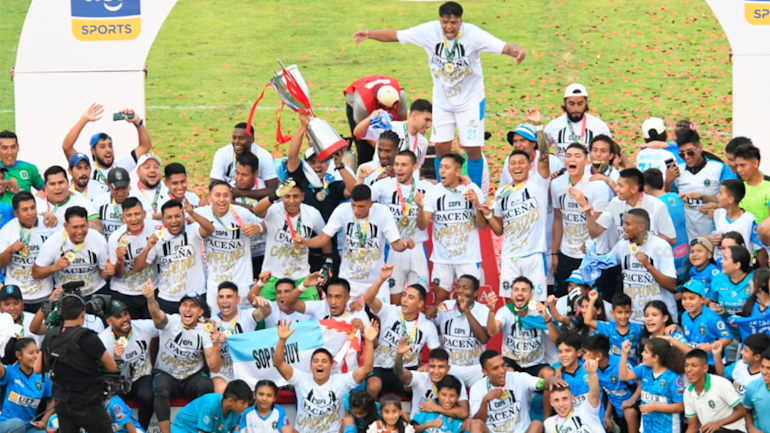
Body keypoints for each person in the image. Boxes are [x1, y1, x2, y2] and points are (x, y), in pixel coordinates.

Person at [353, 1, 527, 190]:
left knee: (472, 149)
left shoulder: (473, 34)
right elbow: (396, 35)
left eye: (454, 22)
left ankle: (475, 194)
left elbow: (503, 46)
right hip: (443, 103)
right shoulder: (429, 31)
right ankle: (441, 191)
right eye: (445, 22)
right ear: (440, 21)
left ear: (461, 21)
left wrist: (517, 52)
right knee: (442, 149)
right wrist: (370, 34)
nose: (449, 27)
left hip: (470, 101)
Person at [296, 184, 412, 302]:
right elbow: (323, 239)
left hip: (377, 281)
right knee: (345, 319)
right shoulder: (342, 210)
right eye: (353, 205)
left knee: (380, 318)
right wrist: (305, 242)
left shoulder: (383, 212)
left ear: (370, 203)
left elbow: (396, 244)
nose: (356, 210)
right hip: (349, 281)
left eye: (361, 206)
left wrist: (405, 245)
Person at [482, 109, 553, 302]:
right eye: (512, 163)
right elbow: (499, 231)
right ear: (508, 167)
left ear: (530, 165)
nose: (516, 166)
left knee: (535, 306)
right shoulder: (501, 193)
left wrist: (539, 126)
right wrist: (488, 214)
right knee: (511, 306)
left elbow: (545, 156)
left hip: (534, 256)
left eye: (521, 162)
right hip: (509, 257)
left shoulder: (538, 183)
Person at [142, 281, 222, 433]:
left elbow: (214, 367)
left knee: (206, 386)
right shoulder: (171, 321)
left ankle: (200, 429)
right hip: (168, 375)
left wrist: (216, 344)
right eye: (184, 305)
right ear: (179, 309)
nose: (187, 309)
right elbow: (156, 314)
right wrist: (151, 299)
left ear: (200, 312)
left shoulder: (206, 330)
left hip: (191, 377)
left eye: (193, 306)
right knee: (160, 386)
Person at [273, 319, 377, 433]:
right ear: (310, 366)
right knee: (286, 429)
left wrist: (369, 341)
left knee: (349, 421)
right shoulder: (300, 379)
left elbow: (367, 369)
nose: (319, 364)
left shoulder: (341, 381)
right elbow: (278, 363)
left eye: (324, 361)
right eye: (316, 361)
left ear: (331, 366)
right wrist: (282, 340)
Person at [36, 294, 118, 433]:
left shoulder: (51, 335)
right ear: (83, 314)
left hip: (62, 403)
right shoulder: (88, 337)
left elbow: (38, 368)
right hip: (87, 403)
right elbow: (112, 367)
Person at [417, 152, 486, 303]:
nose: (441, 171)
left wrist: (477, 205)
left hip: (468, 258)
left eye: (447, 167)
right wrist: (420, 208)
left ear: (457, 172)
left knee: (468, 303)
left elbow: (482, 226)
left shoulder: (472, 190)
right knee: (440, 303)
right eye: (441, 167)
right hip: (442, 259)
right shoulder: (433, 193)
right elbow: (422, 225)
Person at [364, 265, 440, 398]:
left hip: (406, 370)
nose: (404, 299)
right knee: (373, 385)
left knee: (415, 385)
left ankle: (415, 417)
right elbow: (369, 299)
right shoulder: (390, 311)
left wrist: (429, 365)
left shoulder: (427, 325)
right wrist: (382, 279)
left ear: (420, 303)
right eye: (404, 295)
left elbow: (436, 352)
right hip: (381, 368)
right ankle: (372, 417)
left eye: (411, 297)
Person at [550, 142, 613, 297]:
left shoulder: (597, 186)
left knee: (592, 302)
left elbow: (598, 226)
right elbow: (558, 218)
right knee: (565, 300)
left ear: (586, 161)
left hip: (592, 255)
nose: (572, 159)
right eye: (569, 156)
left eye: (578, 156)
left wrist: (584, 204)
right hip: (567, 253)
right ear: (564, 161)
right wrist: (554, 253)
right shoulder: (557, 184)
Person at [370, 150, 433, 302]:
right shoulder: (384, 185)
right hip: (392, 250)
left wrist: (419, 207)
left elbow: (423, 226)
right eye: (397, 164)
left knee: (418, 301)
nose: (399, 168)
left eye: (404, 165)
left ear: (414, 167)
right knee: (394, 301)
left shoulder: (426, 188)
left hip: (416, 249)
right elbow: (361, 200)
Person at [132, 199, 215, 314]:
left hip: (196, 296)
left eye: (177, 216)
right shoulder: (157, 239)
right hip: (168, 299)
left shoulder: (192, 230)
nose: (174, 221)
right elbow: (137, 268)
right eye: (169, 217)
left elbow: (210, 229)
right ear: (163, 220)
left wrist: (193, 213)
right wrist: (147, 248)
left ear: (183, 216)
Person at [252, 179, 326, 301]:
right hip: (271, 275)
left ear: (302, 196)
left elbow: (324, 237)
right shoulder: (274, 209)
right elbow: (257, 210)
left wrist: (327, 257)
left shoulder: (312, 213)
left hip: (301, 276)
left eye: (296, 196)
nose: (291, 201)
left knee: (314, 309)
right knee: (261, 309)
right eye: (287, 196)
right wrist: (275, 195)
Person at [197, 180, 263, 310]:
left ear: (231, 197)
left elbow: (267, 224)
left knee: (244, 324)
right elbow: (180, 219)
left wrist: (258, 227)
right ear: (209, 198)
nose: (222, 199)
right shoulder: (201, 213)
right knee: (214, 323)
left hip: (242, 283)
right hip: (215, 284)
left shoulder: (242, 214)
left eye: (226, 195)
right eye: (217, 195)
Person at [61, 104, 153, 196]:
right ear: (93, 151)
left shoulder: (120, 167)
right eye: (102, 146)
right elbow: (67, 147)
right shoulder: (86, 169)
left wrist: (137, 122)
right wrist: (84, 119)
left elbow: (145, 146)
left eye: (110, 145)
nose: (108, 150)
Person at [486, 279, 558, 393]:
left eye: (524, 290)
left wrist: (547, 319)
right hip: (512, 360)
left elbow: (557, 340)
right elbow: (492, 332)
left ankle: (549, 411)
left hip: (535, 363)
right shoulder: (505, 311)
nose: (519, 293)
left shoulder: (539, 312)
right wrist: (491, 311)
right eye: (516, 290)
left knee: (550, 375)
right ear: (511, 295)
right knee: (506, 373)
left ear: (531, 295)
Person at [608, 208, 678, 325]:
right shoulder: (622, 245)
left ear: (640, 227)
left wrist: (647, 265)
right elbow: (603, 262)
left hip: (659, 321)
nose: (623, 227)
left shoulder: (661, 246)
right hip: (632, 321)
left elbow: (671, 285)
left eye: (627, 224)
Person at [468, 349, 563, 433]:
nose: (502, 371)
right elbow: (478, 421)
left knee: (537, 424)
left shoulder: (518, 377)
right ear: (485, 372)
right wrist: (485, 401)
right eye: (495, 368)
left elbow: (540, 383)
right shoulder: (477, 388)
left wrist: (550, 381)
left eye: (503, 365)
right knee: (475, 424)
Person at [98, 299, 158, 430]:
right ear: (109, 321)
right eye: (119, 316)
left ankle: (141, 429)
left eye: (126, 314)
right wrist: (115, 359)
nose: (125, 319)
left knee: (147, 396)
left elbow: (164, 324)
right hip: (117, 380)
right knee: (108, 400)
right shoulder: (103, 340)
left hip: (140, 377)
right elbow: (102, 373)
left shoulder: (142, 327)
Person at [667, 127, 735, 240]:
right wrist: (667, 181)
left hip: (715, 237)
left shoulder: (719, 168)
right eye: (682, 154)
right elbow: (671, 201)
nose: (687, 157)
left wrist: (705, 198)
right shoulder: (676, 172)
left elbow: (730, 200)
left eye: (690, 152)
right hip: (689, 239)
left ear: (700, 147)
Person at [33, 206, 112, 298]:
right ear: (65, 226)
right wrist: (55, 267)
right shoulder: (53, 241)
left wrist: (108, 272)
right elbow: (36, 273)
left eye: (83, 226)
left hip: (95, 292)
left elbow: (104, 274)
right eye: (75, 227)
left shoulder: (98, 239)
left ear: (87, 223)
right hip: (65, 295)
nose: (79, 231)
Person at [0, 192, 58, 311]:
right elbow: (1, 264)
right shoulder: (7, 230)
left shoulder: (49, 225)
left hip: (45, 294)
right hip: (17, 297)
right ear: (16, 213)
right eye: (25, 210)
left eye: (33, 208)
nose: (30, 213)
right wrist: (10, 250)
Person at [209, 282, 271, 394]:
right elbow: (214, 367)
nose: (225, 301)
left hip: (246, 371)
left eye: (229, 297)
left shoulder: (247, 316)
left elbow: (265, 312)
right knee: (221, 390)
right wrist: (216, 345)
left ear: (237, 299)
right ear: (217, 300)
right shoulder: (211, 323)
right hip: (223, 373)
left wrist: (263, 304)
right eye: (221, 297)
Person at [427, 274, 488, 384]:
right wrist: (429, 315)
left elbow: (483, 338)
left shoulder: (483, 310)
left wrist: (467, 312)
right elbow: (431, 329)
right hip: (450, 367)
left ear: (475, 293)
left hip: (475, 368)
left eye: (465, 288)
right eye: (458, 287)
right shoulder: (444, 306)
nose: (460, 291)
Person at [619, 338, 685, 433]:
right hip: (647, 428)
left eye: (646, 352)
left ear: (655, 358)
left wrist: (654, 407)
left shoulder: (673, 378)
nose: (642, 354)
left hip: (668, 429)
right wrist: (624, 353)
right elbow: (623, 376)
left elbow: (680, 407)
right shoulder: (644, 369)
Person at [107, 197, 158, 318]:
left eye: (137, 214)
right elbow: (118, 275)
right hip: (123, 292)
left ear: (144, 214)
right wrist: (119, 260)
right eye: (129, 215)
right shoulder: (116, 238)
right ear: (122, 218)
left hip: (150, 289)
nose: (134, 219)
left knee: (155, 330)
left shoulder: (155, 229)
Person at [393, 346, 469, 421]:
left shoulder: (455, 382)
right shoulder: (420, 377)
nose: (436, 371)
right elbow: (399, 372)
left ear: (448, 368)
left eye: (441, 367)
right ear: (427, 366)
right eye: (432, 366)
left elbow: (464, 412)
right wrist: (399, 355)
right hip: (419, 427)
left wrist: (436, 408)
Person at [344, 74, 408, 165]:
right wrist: (383, 149)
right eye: (386, 108)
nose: (387, 111)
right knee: (365, 151)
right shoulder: (362, 105)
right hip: (358, 101)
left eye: (391, 109)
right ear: (379, 103)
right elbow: (360, 132)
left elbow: (402, 125)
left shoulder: (400, 97)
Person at [582, 334, 639, 433]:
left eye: (587, 353)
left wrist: (632, 400)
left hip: (634, 406)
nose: (583, 357)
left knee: (629, 412)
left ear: (598, 356)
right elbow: (609, 392)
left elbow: (641, 383)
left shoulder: (620, 364)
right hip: (617, 411)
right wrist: (607, 414)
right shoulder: (593, 369)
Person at [354, 99, 433, 170]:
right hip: (380, 178)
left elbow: (417, 168)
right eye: (426, 120)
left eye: (431, 121)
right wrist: (371, 118)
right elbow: (358, 133)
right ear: (414, 115)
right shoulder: (391, 127)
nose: (429, 125)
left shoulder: (423, 142)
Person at [683, 349, 748, 433]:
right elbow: (692, 427)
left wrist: (718, 423)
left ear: (705, 368)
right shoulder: (688, 392)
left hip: (733, 430)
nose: (689, 370)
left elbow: (741, 411)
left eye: (694, 365)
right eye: (686, 365)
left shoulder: (721, 383)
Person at [544, 83, 612, 161]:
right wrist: (537, 124)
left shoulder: (599, 126)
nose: (576, 109)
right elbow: (540, 149)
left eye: (580, 104)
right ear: (565, 102)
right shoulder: (554, 126)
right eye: (571, 104)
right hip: (562, 172)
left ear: (586, 101)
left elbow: (612, 151)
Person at [209, 122, 279, 197]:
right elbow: (213, 187)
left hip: (257, 198)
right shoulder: (222, 153)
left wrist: (241, 193)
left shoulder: (263, 155)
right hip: (229, 199)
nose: (236, 142)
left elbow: (272, 189)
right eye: (234, 138)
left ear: (252, 140)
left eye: (241, 138)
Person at [644, 168, 689, 281]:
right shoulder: (675, 197)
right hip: (683, 251)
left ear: (645, 188)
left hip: (669, 257)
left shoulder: (655, 206)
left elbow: (666, 237)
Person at [0, 338, 54, 433]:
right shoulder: (10, 371)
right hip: (6, 424)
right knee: (17, 424)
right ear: (19, 355)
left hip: (28, 426)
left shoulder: (43, 377)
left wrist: (44, 421)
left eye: (37, 352)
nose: (36, 356)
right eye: (31, 353)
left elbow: (52, 400)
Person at [679, 280, 732, 366]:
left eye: (691, 298)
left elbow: (727, 338)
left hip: (711, 363)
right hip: (692, 361)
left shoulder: (712, 317)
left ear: (702, 299)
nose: (687, 302)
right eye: (684, 298)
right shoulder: (684, 315)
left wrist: (711, 347)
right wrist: (676, 327)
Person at [544, 358, 604, 433]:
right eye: (556, 400)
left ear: (572, 398)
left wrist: (591, 373)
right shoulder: (549, 423)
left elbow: (594, 393)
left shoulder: (586, 409)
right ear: (551, 402)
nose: (561, 404)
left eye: (565, 398)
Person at [710, 179, 764, 262]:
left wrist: (761, 269)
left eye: (720, 193)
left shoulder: (749, 219)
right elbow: (713, 235)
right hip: (720, 266)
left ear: (730, 199)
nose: (717, 196)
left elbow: (759, 247)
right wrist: (710, 239)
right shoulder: (717, 214)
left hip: (741, 268)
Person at [231, 152, 267, 273]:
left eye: (244, 175)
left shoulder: (265, 189)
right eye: (237, 173)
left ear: (255, 174)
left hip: (264, 254)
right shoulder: (226, 190)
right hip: (238, 257)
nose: (239, 178)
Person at [35, 166, 101, 231]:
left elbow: (98, 228)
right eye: (52, 184)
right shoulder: (36, 202)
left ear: (68, 183)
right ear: (46, 187)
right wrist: (43, 215)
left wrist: (87, 224)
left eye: (61, 182)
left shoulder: (81, 201)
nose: (57, 187)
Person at [584, 290, 643, 362]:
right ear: (612, 313)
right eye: (619, 312)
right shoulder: (608, 327)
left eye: (626, 312)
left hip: (632, 371)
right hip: (613, 370)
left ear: (631, 313)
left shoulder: (638, 329)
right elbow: (587, 321)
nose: (623, 316)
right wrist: (592, 300)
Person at [171, 380, 252, 433]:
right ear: (230, 401)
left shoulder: (237, 412)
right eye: (243, 403)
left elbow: (235, 430)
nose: (246, 406)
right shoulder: (210, 404)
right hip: (183, 429)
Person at [283, 277, 369, 326]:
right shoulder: (319, 307)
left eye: (338, 297)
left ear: (347, 298)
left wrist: (364, 331)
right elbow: (288, 303)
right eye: (329, 296)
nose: (333, 302)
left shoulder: (357, 312)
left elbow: (375, 345)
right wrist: (304, 285)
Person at [92, 167, 139, 240]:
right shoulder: (98, 202)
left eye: (123, 188)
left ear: (129, 183)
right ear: (107, 184)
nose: (120, 193)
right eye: (116, 188)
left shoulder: (139, 201)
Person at [723, 334, 770, 399]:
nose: (741, 352)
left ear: (757, 357)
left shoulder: (764, 377)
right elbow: (723, 374)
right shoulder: (740, 364)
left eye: (745, 350)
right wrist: (716, 355)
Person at [733, 143, 770, 225]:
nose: (739, 170)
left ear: (755, 163)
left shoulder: (768, 186)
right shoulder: (737, 188)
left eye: (742, 165)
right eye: (737, 166)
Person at [0, 130, 45, 194]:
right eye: (5, 148)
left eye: (13, 147)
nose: (10, 152)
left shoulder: (30, 168)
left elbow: (47, 191)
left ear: (18, 148)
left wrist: (41, 195)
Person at [742, 348, 770, 433]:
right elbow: (746, 411)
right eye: (762, 366)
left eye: (769, 368)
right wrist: (751, 428)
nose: (764, 372)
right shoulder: (753, 387)